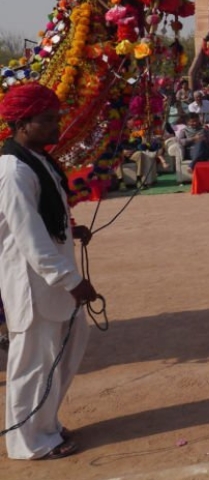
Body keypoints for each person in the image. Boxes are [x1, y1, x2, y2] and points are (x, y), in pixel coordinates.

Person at [0, 83, 97, 460]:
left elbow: (43, 218)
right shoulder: (12, 171)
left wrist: (70, 231)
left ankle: (46, 423)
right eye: (48, 120)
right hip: (33, 282)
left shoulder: (37, 159)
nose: (57, 126)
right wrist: (72, 281)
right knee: (33, 361)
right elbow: (28, 236)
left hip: (53, 278)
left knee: (66, 350)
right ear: (23, 124)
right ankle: (30, 443)